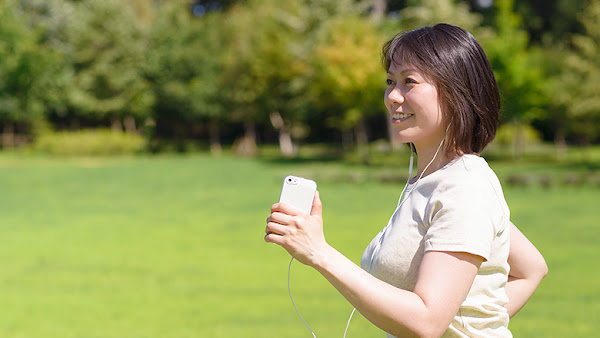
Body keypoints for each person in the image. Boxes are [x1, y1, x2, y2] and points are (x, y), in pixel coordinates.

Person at [265, 23, 547, 337]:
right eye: (390, 81)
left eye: (409, 81)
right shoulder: (433, 181)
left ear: (456, 91)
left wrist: (319, 252)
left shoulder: (466, 186)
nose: (392, 97)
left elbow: (426, 322)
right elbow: (531, 269)